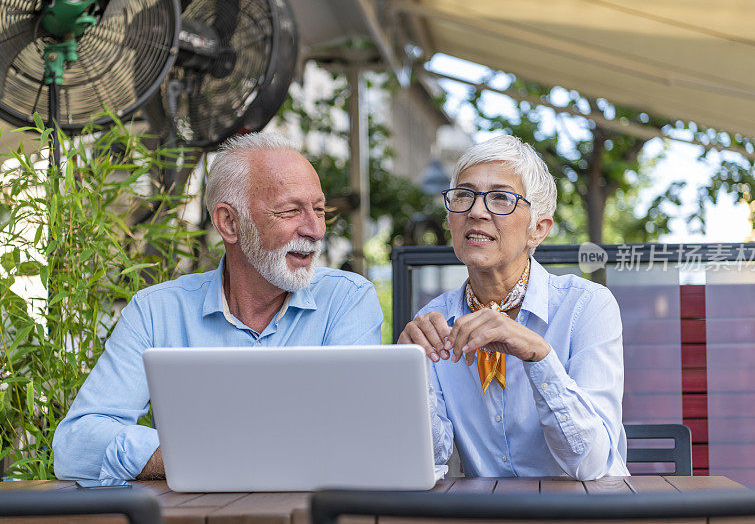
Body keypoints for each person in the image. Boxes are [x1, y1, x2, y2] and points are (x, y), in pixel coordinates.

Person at [53, 131, 384, 480]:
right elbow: (76, 444)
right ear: (229, 222)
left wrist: (206, 453)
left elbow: (356, 438)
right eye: (291, 211)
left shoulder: (347, 299)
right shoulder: (155, 311)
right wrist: (195, 455)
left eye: (319, 210)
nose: (316, 230)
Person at [400, 135, 628, 480]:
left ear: (538, 229)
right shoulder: (434, 320)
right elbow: (435, 458)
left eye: (500, 198)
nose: (476, 211)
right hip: (490, 514)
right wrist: (411, 379)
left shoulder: (587, 306)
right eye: (464, 195)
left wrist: (539, 355)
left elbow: (591, 464)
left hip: (585, 513)